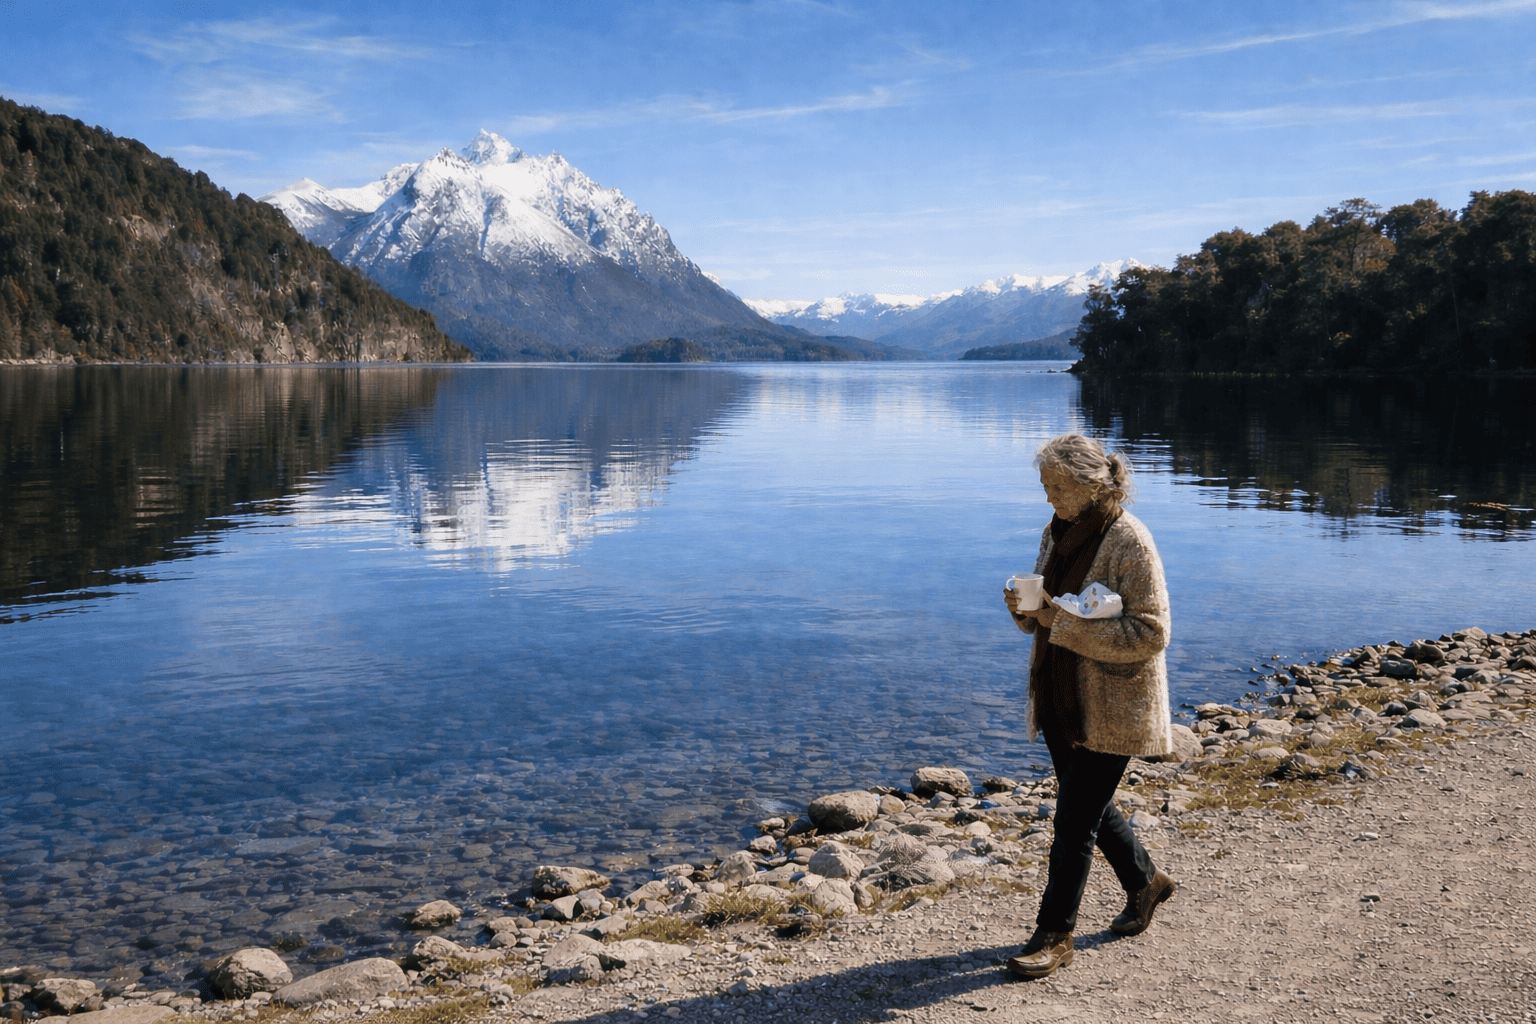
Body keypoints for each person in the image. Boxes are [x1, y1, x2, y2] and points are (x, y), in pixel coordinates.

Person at [1001, 433, 1177, 979]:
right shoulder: (1058, 533)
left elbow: (1151, 632)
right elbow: (1047, 615)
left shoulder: (1130, 540)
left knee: (1073, 821)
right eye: (1045, 486)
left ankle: (1054, 935)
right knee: (1090, 809)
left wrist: (1063, 625)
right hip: (1059, 696)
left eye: (1056, 486)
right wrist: (1025, 612)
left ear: (1088, 483)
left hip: (1112, 705)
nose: (1048, 496)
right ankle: (1147, 883)